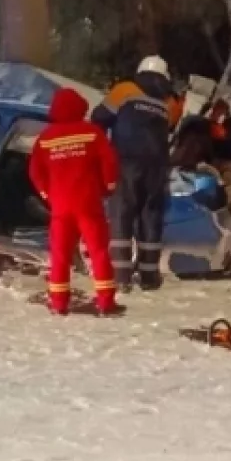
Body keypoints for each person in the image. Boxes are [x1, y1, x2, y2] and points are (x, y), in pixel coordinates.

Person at [91, 55, 183, 290]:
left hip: (126, 161)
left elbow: (99, 117)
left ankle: (121, 276)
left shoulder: (125, 89)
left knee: (122, 214)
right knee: (150, 216)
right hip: (157, 166)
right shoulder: (170, 101)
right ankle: (149, 277)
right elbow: (170, 127)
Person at [29, 86, 121, 316]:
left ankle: (59, 303)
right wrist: (109, 186)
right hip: (88, 203)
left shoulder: (46, 138)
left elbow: (35, 171)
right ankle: (106, 302)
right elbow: (109, 161)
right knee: (98, 252)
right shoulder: (92, 132)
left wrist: (47, 194)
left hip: (60, 206)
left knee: (60, 255)